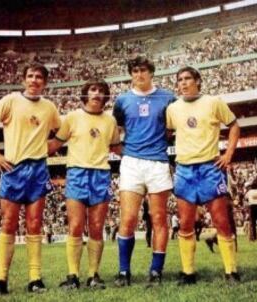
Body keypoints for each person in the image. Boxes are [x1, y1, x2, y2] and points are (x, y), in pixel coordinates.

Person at [0, 63, 61, 297]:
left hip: (38, 169)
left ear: (44, 82)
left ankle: (35, 278)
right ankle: (1, 280)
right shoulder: (10, 100)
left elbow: (61, 132)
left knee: (35, 224)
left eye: (39, 77)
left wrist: (50, 147)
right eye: (30, 76)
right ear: (24, 79)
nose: (34, 80)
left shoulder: (49, 107)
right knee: (9, 223)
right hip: (13, 168)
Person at [166, 66, 241, 285]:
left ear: (198, 81)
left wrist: (228, 154)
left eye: (188, 78)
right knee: (186, 223)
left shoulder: (213, 102)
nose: (183, 83)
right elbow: (167, 133)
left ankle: (231, 271)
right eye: (179, 80)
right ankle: (188, 273)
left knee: (221, 221)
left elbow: (235, 126)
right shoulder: (173, 109)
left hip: (210, 168)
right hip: (185, 169)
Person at [48, 79, 121, 290]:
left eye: (101, 91)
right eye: (93, 90)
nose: (97, 94)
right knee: (76, 226)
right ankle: (72, 275)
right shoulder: (72, 117)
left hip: (101, 175)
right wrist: (28, 147)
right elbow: (55, 144)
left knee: (97, 227)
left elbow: (117, 148)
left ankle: (93, 275)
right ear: (86, 94)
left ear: (105, 97)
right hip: (77, 173)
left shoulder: (110, 121)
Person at [112, 56, 175, 287]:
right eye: (135, 71)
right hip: (131, 163)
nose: (139, 75)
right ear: (131, 74)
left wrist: (153, 147)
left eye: (143, 70)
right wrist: (129, 153)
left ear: (151, 73)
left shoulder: (168, 97)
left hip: (157, 163)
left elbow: (171, 129)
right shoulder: (122, 100)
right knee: (127, 218)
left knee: (158, 218)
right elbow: (116, 130)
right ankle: (123, 272)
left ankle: (156, 271)